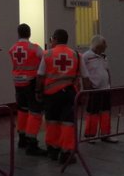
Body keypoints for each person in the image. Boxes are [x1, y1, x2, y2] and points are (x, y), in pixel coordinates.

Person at [36, 28, 82, 164]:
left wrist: (38, 92)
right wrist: (87, 94)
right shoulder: (77, 55)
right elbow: (85, 76)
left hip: (51, 95)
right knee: (68, 123)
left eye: (52, 39)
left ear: (55, 39)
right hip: (70, 94)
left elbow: (40, 75)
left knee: (52, 122)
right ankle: (67, 152)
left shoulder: (47, 54)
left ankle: (53, 150)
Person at [7, 23, 47, 156]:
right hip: (31, 83)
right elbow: (45, 59)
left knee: (22, 111)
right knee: (35, 112)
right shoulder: (34, 48)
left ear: (18, 34)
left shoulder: (12, 48)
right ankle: (32, 142)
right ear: (29, 34)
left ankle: (22, 138)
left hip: (17, 84)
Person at [80, 35, 118, 143]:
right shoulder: (86, 57)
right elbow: (83, 73)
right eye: (104, 44)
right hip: (94, 89)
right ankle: (90, 135)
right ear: (98, 46)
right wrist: (87, 87)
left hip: (105, 89)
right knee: (92, 112)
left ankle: (105, 134)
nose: (106, 46)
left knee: (106, 111)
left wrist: (110, 84)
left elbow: (107, 71)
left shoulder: (104, 56)